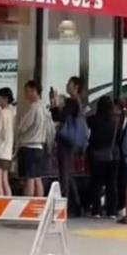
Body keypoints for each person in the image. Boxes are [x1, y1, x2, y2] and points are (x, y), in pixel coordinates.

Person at [51, 76, 85, 216]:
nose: (67, 85)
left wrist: (55, 104)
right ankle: (75, 206)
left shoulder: (72, 101)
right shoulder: (78, 102)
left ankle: (63, 207)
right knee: (68, 173)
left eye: (69, 83)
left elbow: (59, 117)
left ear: (75, 86)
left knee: (64, 174)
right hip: (71, 142)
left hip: (66, 141)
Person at [87, 95, 119, 218]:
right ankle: (112, 211)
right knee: (112, 184)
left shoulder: (93, 120)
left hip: (97, 155)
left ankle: (96, 210)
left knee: (96, 183)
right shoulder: (116, 121)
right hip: (113, 155)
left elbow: (88, 135)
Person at [16, 80, 49, 197]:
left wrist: (18, 128)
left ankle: (28, 204)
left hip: (29, 147)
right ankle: (39, 204)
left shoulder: (34, 108)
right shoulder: (44, 108)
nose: (25, 94)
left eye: (26, 91)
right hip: (39, 147)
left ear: (33, 91)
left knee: (29, 178)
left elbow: (22, 127)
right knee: (37, 178)